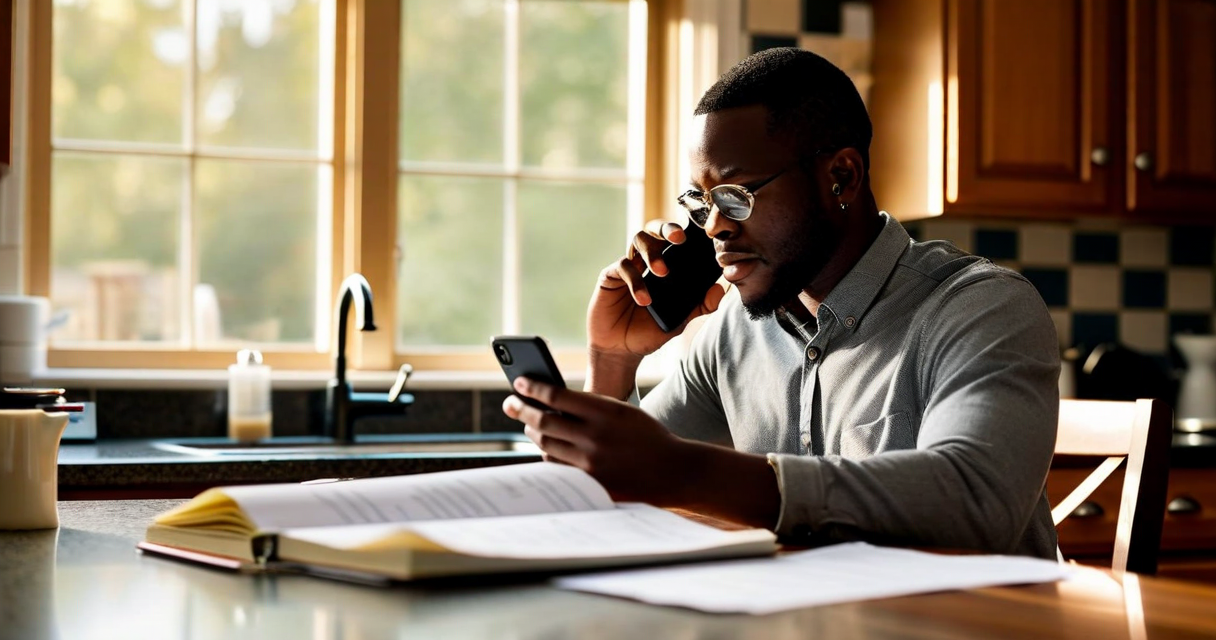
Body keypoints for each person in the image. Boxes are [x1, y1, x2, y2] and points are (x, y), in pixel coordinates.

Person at [502, 47, 1060, 558]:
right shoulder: (736, 330)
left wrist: (687, 472)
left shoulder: (982, 308)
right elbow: (620, 483)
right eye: (700, 200)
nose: (715, 227)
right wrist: (614, 358)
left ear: (841, 177)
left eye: (735, 195)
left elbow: (975, 503)